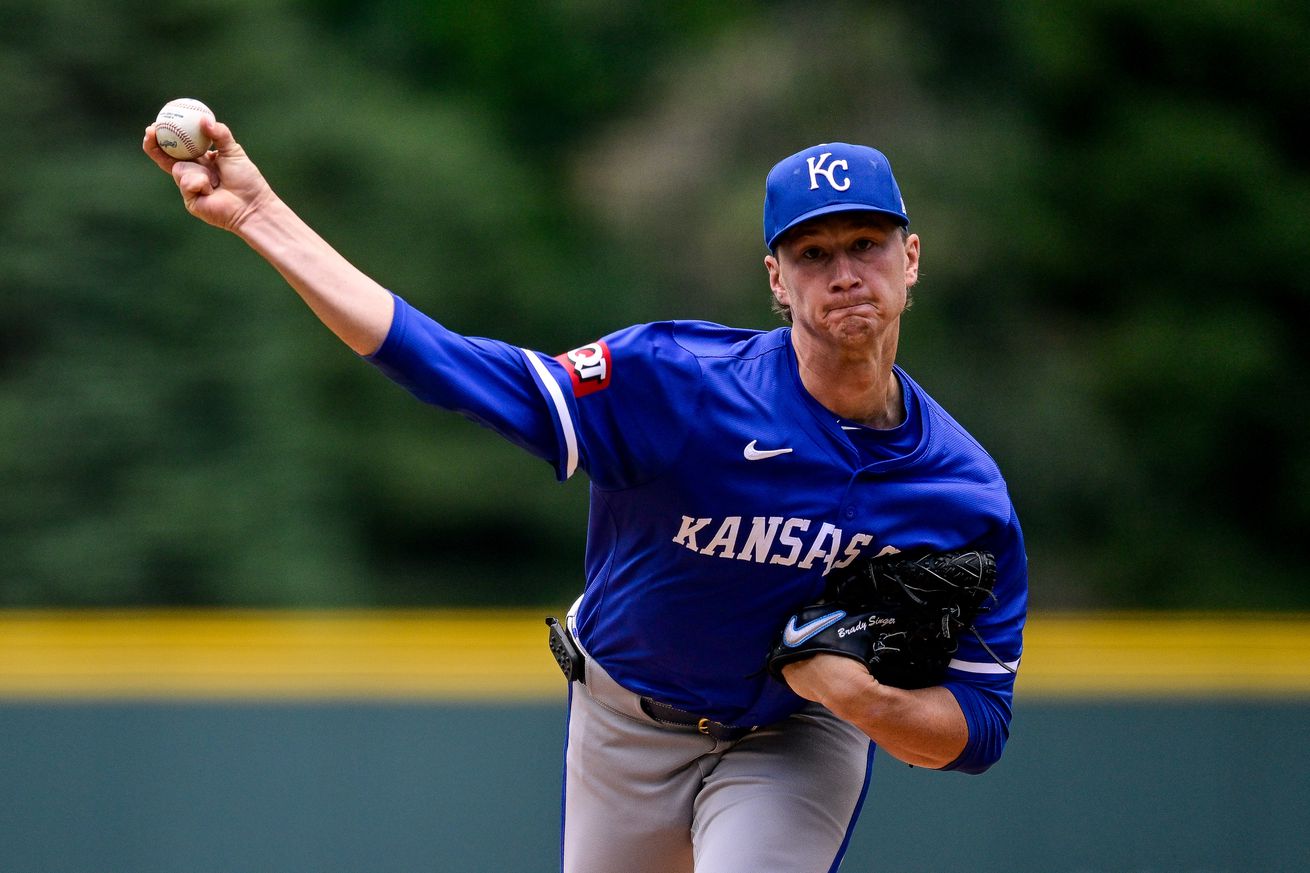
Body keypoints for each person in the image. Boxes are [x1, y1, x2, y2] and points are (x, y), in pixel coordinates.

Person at [144, 120, 1027, 873]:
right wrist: (261, 216)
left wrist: (865, 701)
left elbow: (982, 724)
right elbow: (455, 367)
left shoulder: (960, 491)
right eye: (814, 251)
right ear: (775, 278)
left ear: (910, 259)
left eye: (866, 244)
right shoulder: (676, 385)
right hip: (624, 720)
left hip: (797, 737)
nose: (844, 272)